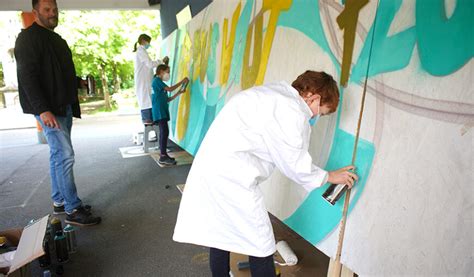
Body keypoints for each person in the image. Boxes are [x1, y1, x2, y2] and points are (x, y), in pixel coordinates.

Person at [173, 71, 359, 276]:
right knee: (261, 242)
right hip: (231, 178)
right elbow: (295, 163)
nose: (316, 117)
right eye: (320, 112)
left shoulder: (275, 94)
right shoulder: (291, 110)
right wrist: (330, 176)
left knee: (221, 233)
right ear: (313, 98)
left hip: (215, 170)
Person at [14, 0, 101, 226]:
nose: (52, 14)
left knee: (57, 155)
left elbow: (58, 74)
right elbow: (27, 77)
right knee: (65, 155)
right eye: (47, 10)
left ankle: (60, 201)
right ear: (35, 12)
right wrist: (42, 110)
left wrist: (78, 82)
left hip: (64, 106)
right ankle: (73, 208)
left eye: (55, 10)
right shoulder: (27, 38)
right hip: (49, 109)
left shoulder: (57, 39)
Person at [151, 63, 188, 166]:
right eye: (167, 72)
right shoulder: (157, 81)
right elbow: (170, 89)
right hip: (159, 112)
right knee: (164, 133)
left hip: (162, 111)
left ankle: (164, 155)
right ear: (161, 72)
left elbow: (167, 99)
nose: (168, 74)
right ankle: (163, 156)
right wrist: (182, 82)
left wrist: (179, 92)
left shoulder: (159, 83)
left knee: (164, 133)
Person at [133, 33, 169, 125]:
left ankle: (149, 119)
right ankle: (148, 119)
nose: (149, 44)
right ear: (144, 41)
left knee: (147, 99)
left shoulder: (141, 51)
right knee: (146, 100)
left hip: (145, 81)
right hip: (143, 82)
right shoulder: (140, 51)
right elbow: (150, 64)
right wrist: (161, 61)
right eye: (148, 42)